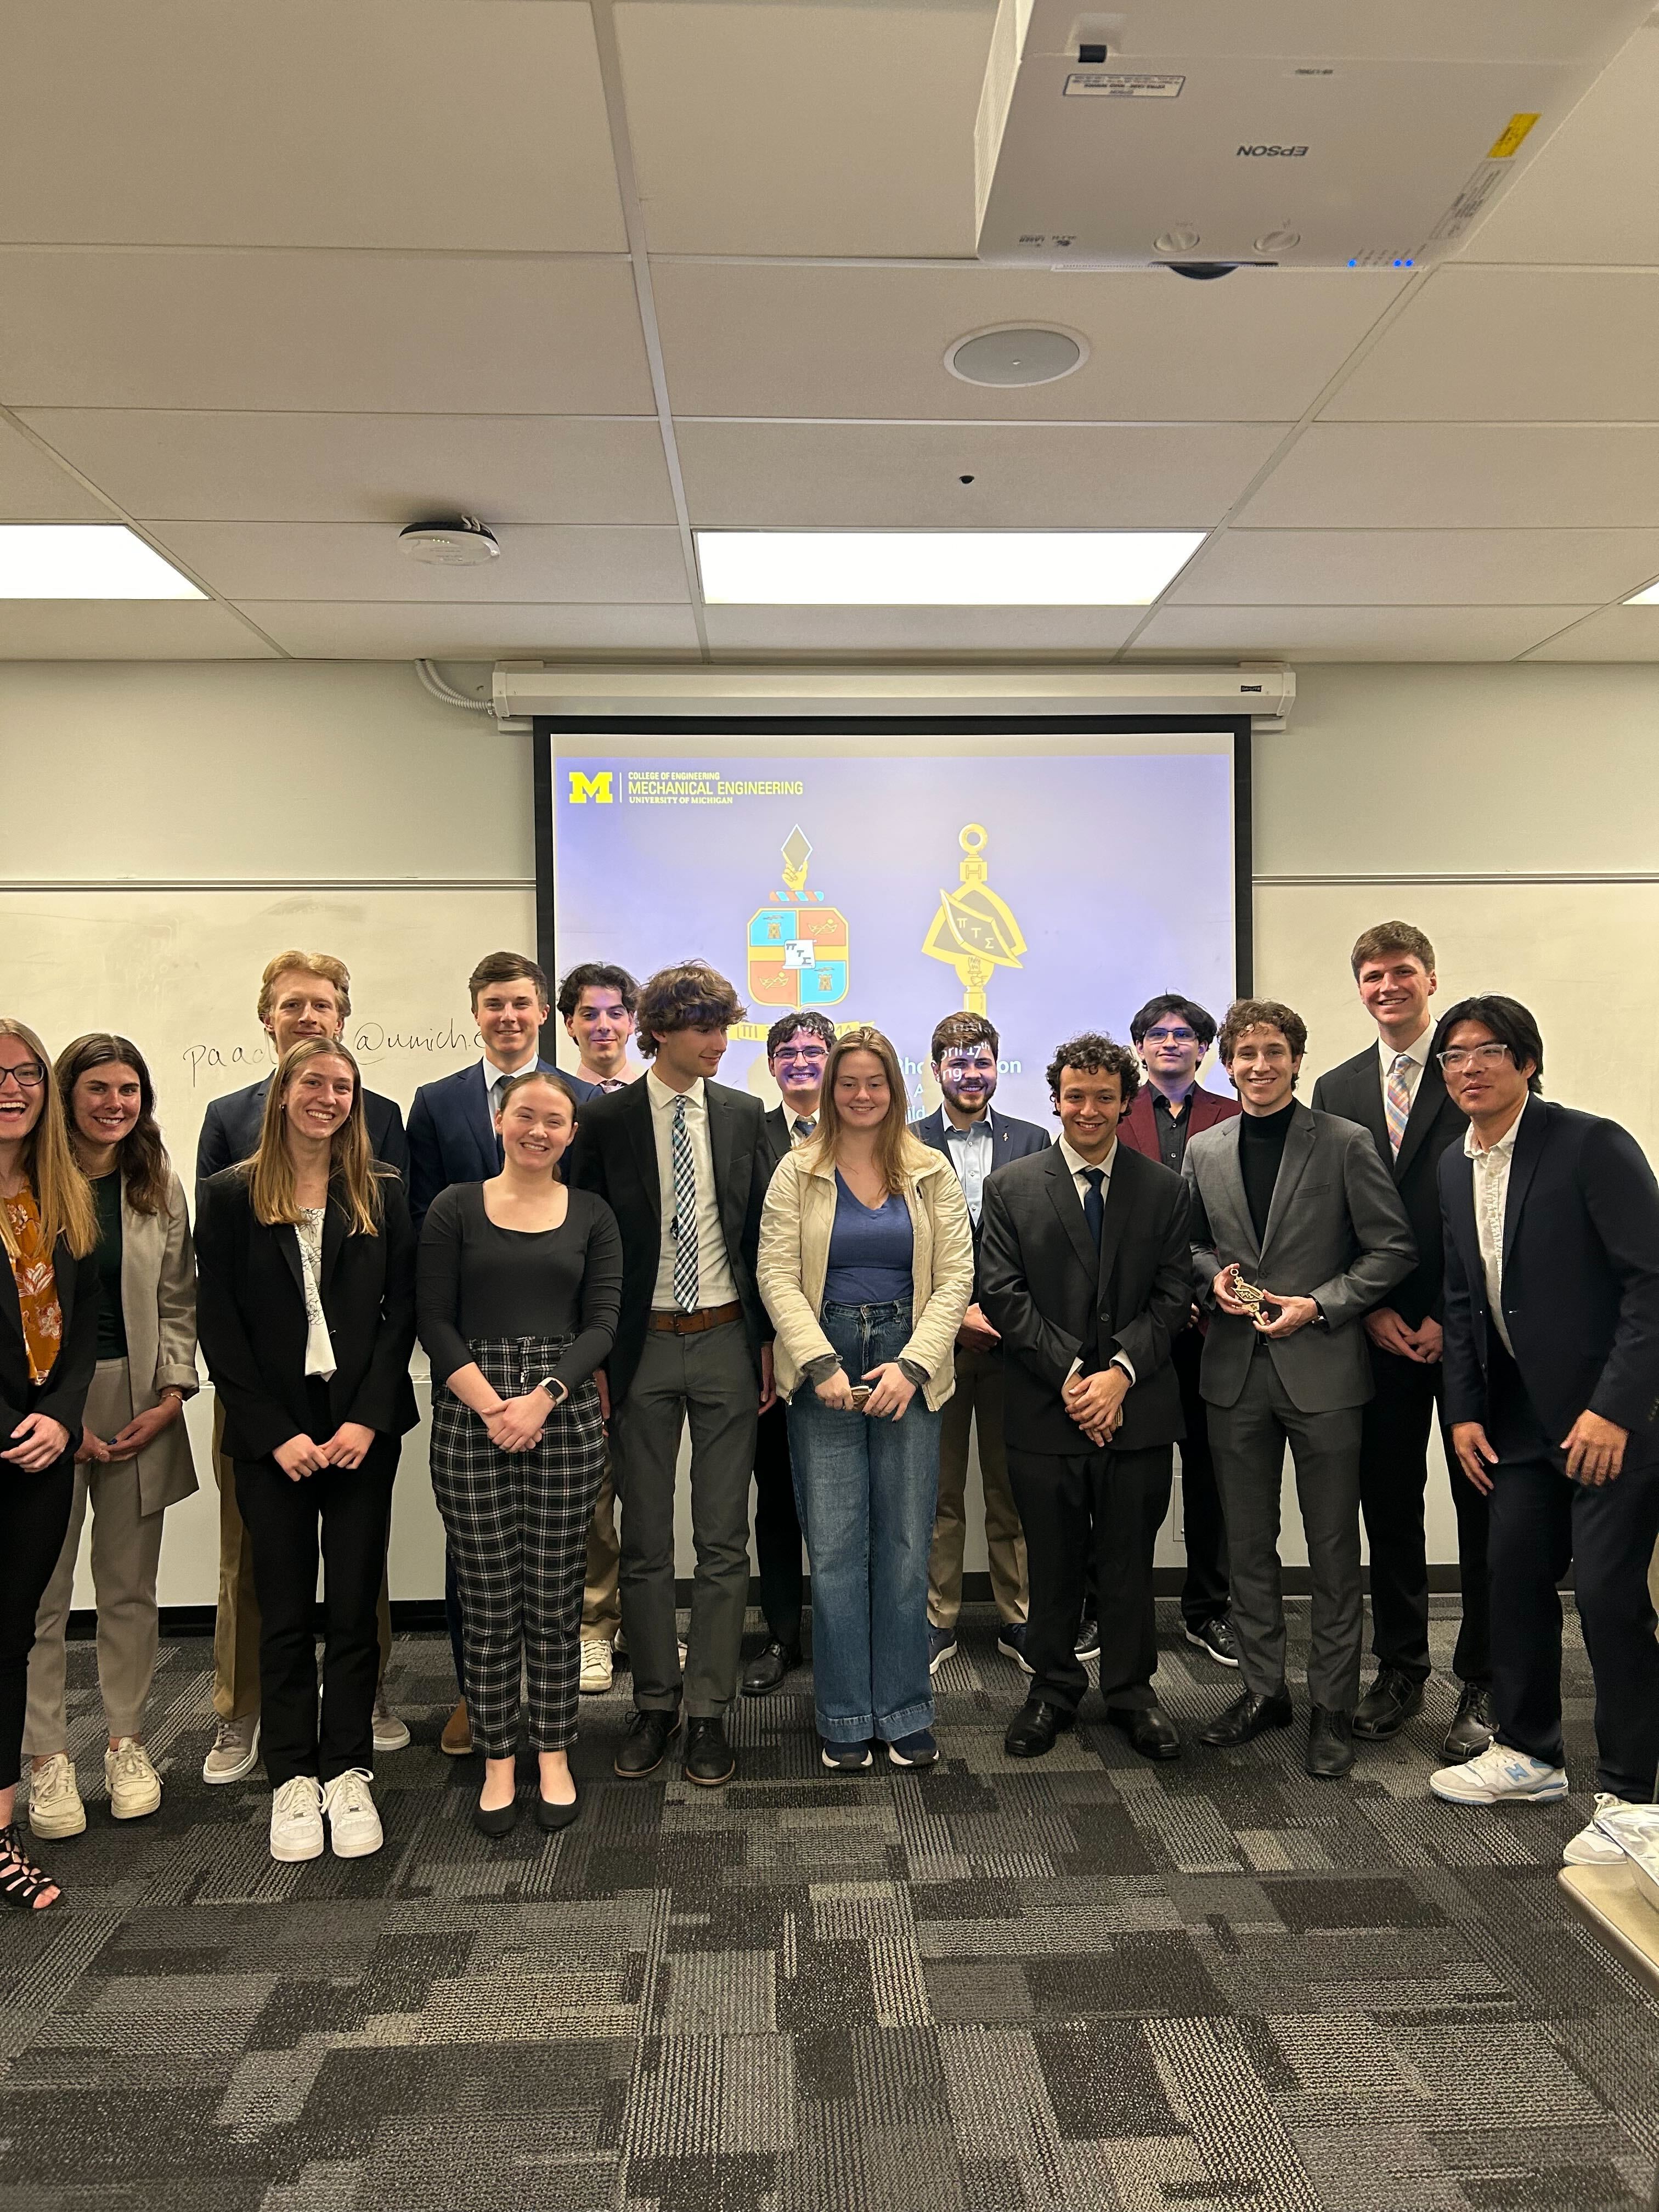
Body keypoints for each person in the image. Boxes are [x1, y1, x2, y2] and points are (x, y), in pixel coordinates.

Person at [1426, 997, 1659, 1863]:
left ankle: (1637, 1791)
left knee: (1606, 1598)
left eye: (1487, 1052)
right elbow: (1461, 1301)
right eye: (1453, 1057)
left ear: (1527, 1061)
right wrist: (1466, 1411)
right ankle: (1528, 1752)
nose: (1469, 1068)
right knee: (1510, 1578)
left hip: (1611, 1419)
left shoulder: (1589, 1144)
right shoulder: (1455, 1165)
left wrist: (1615, 1409)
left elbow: (1650, 1285)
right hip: (1515, 1417)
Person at [196, 1037, 417, 1864]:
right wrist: (272, 1433)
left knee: (355, 1603)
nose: (328, 1098)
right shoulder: (228, 1196)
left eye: (343, 1087)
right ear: (283, 1093)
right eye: (313, 1083)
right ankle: (292, 1777)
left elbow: (404, 1315)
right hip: (273, 1431)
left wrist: (366, 1418)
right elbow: (218, 1322)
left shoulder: (382, 1193)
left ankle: (348, 1768)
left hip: (361, 1425)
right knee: (284, 1608)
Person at [1184, 998, 1415, 1779]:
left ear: (1296, 1058)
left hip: (1322, 1368)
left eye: (1273, 1051)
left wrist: (1321, 1305)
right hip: (1234, 1372)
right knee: (1246, 1546)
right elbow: (1188, 1243)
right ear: (1227, 1061)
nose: (1258, 1065)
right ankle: (1261, 1692)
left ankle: (1331, 1707)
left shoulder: (1345, 1143)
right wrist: (1209, 1278)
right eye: (1244, 1052)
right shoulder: (1204, 1147)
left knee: (1332, 1551)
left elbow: (1392, 1249)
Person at [569, 961, 774, 1788]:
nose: (719, 1043)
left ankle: (710, 1714)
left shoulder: (744, 1113)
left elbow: (763, 1233)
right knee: (647, 1539)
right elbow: (585, 1239)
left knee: (725, 1539)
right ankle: (654, 1705)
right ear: (658, 1032)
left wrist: (766, 1343)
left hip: (728, 1337)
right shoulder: (608, 1119)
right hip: (639, 1344)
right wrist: (592, 1356)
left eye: (724, 1026)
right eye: (703, 1028)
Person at [758, 1025, 974, 1771]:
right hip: (825, 1365)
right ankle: (847, 1713)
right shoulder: (796, 1171)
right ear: (828, 1088)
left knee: (908, 1542)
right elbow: (776, 1274)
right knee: (840, 1547)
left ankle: (905, 1709)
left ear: (894, 1089)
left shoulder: (930, 1170)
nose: (859, 1095)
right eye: (846, 1082)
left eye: (873, 1083)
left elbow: (955, 1279)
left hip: (905, 1359)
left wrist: (912, 1367)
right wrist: (816, 1362)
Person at [418, 1070, 622, 1835]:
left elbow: (602, 1323)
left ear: (572, 1133)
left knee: (555, 1595)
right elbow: (433, 1319)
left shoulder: (594, 1215)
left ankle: (555, 1754)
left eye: (556, 1121)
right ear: (500, 1120)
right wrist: (492, 1405)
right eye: (525, 1116)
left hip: (561, 1417)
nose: (539, 1131)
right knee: (490, 1601)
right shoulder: (453, 1207)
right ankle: (499, 1759)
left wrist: (540, 1400)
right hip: (471, 1415)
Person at [980, 1034, 1192, 1761]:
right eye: (1076, 1096)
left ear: (1126, 1102)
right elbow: (1002, 1297)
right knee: (1053, 1561)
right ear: (1056, 1100)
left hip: (1136, 1411)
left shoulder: (1164, 1188)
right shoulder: (1010, 1187)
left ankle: (1132, 1692)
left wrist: (1120, 1374)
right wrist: (1074, 1376)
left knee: (1129, 1562)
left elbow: (1173, 1296)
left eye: (1105, 1097)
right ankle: (1053, 1689)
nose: (1089, 1110)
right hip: (1047, 1410)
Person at [1311, 924, 1493, 1760]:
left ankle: (1485, 1679)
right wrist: (1372, 1309)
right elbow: (1329, 1214)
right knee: (1388, 1506)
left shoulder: (1472, 1068)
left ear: (1431, 978)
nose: (1388, 986)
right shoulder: (1338, 1084)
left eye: (1403, 973)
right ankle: (1402, 1668)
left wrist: (1444, 1318)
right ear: (1359, 988)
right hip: (1376, 1332)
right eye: (1373, 975)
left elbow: (1492, 1201)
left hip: (1468, 1330)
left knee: (1483, 1506)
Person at [25, 1036, 200, 1841]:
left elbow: (177, 1299)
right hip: (44, 1407)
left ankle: (127, 1744)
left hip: (139, 1399)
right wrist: (60, 1418)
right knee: (42, 1595)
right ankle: (47, 1756)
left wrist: (171, 1394)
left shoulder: (154, 1180)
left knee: (129, 1589)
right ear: (65, 1095)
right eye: (98, 1088)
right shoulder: (25, 1181)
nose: (115, 1104)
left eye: (130, 1089)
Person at [408, 950, 573, 1757]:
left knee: (550, 1555)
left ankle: (545, 1710)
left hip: (552, 1358)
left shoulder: (574, 1099)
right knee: (475, 1550)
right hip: (466, 1357)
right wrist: (463, 1370)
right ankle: (479, 1698)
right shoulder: (436, 1103)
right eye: (493, 1003)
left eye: (521, 1002)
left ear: (542, 1010)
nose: (508, 1016)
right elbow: (420, 1226)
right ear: (475, 1011)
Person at [911, 1013, 1048, 1676]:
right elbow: (902, 1247)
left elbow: (1044, 1242)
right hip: (932, 1344)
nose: (971, 1074)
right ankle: (937, 1618)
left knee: (1010, 1487)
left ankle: (1017, 1617)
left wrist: (1000, 1314)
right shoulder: (904, 1142)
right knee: (937, 1492)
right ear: (935, 1069)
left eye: (983, 1062)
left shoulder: (1033, 1139)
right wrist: (953, 1314)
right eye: (958, 1063)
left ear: (999, 1066)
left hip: (1010, 1342)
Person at [0, 1020, 98, 1911]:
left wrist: (61, 1419)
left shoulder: (58, 1197)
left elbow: (84, 1329)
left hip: (44, 1451)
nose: (15, 1087)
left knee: (12, 1637)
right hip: (3, 1438)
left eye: (28, 1072)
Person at [1117, 993, 1241, 1671]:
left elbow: (1233, 1222)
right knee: (1123, 1478)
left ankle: (1208, 1609)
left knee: (1210, 1474)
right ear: (1139, 1048)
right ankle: (1109, 1606)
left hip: (1211, 1326)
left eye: (1185, 1035)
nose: (1170, 1043)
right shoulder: (1110, 1108)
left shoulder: (1232, 1114)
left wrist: (1200, 1292)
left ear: (1203, 1049)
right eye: (1157, 1034)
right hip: (1133, 1327)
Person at [742, 1010, 837, 1697]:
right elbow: (742, 1244)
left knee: (846, 1503)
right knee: (776, 1498)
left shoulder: (865, 1131)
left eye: (815, 1051)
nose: (802, 1062)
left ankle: (843, 1635)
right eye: (788, 1053)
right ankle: (781, 1635)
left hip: (856, 1346)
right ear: (772, 1065)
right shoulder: (750, 1132)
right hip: (775, 1348)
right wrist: (762, 1344)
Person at [555, 961, 640, 1700]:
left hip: (662, 1325)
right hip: (582, 1329)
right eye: (591, 1014)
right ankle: (595, 1627)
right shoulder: (555, 1106)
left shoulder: (659, 1102)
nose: (605, 1025)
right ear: (571, 1022)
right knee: (593, 1493)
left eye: (617, 1013)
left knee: (647, 1485)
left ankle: (644, 1623)